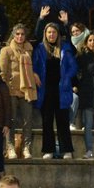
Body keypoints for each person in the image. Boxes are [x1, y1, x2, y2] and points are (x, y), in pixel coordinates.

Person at [33, 22, 77, 159]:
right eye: (49, 32)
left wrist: (67, 78)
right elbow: (33, 65)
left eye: (54, 32)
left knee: (62, 121)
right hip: (45, 90)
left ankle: (67, 150)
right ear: (45, 34)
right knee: (47, 122)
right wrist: (34, 74)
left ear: (58, 34)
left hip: (61, 90)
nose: (51, 35)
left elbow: (73, 67)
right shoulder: (40, 48)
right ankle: (48, 150)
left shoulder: (65, 47)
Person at [0, 24, 37, 160]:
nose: (20, 36)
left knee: (28, 120)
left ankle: (27, 148)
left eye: (22, 34)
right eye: (17, 34)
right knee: (11, 120)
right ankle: (10, 147)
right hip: (11, 89)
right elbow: (1, 71)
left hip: (27, 89)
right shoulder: (6, 50)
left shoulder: (30, 50)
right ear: (13, 35)